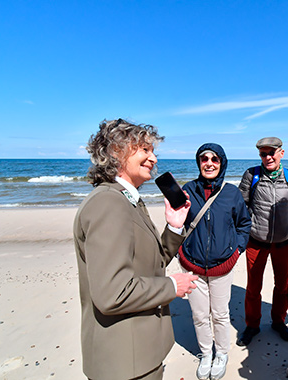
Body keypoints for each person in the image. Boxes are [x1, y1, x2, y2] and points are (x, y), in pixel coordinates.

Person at [74, 118, 198, 380]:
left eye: (153, 151)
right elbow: (113, 293)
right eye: (144, 149)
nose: (153, 158)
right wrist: (172, 287)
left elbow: (151, 263)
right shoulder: (108, 203)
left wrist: (174, 227)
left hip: (138, 353)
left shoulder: (125, 200)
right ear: (116, 151)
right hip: (125, 362)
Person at [176, 143, 251, 380]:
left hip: (222, 266)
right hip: (193, 266)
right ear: (198, 163)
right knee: (199, 315)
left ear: (222, 163)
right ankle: (206, 353)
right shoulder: (187, 189)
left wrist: (237, 250)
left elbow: (244, 224)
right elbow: (177, 224)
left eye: (215, 159)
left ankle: (221, 354)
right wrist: (181, 251)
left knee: (219, 314)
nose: (209, 163)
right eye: (204, 159)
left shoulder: (231, 193)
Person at [236, 137, 288, 346]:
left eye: (272, 152)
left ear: (281, 153)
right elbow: (241, 204)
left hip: (284, 241)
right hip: (256, 241)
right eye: (263, 154)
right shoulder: (252, 175)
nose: (268, 157)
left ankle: (278, 321)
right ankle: (252, 325)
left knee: (282, 285)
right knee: (253, 287)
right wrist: (249, 227)